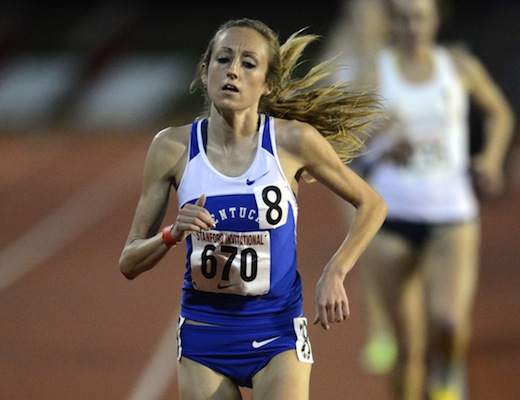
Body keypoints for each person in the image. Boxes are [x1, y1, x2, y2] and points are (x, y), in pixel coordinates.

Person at [118, 18, 387, 400]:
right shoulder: (172, 149)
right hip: (204, 333)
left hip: (277, 328)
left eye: (248, 63)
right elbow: (128, 262)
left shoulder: (292, 141)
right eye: (223, 59)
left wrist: (336, 270)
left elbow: (372, 204)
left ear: (268, 82)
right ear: (204, 70)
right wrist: (170, 233)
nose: (233, 71)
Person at [331, 0, 515, 399]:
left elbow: (501, 113)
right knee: (408, 348)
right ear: (393, 23)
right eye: (403, 19)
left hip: (452, 217)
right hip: (391, 219)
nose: (412, 26)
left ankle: (447, 371)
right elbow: (338, 145)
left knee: (448, 321)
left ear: (436, 20)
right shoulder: (374, 72)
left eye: (420, 18)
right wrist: (375, 138)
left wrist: (492, 157)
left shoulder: (459, 66)